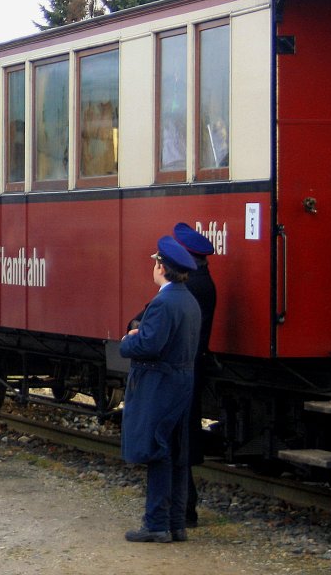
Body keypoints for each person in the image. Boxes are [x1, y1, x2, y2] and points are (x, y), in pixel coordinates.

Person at [120, 235, 201, 543]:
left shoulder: (163, 302)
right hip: (182, 381)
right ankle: (176, 523)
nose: (153, 267)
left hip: (160, 383)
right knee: (177, 452)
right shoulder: (187, 299)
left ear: (162, 268)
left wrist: (130, 338)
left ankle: (155, 524)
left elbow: (149, 344)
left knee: (158, 451)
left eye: (156, 263)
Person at [172, 221, 217, 527]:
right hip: (190, 368)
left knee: (178, 439)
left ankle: (184, 508)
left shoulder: (192, 289)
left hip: (181, 372)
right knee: (179, 438)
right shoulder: (201, 284)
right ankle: (183, 506)